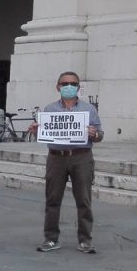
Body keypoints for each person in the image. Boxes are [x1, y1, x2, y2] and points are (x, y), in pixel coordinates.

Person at [32, 71, 104, 254]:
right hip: (56, 157)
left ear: (78, 88)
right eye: (64, 84)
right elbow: (43, 131)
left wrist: (94, 134)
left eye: (72, 83)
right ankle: (50, 238)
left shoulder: (89, 109)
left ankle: (85, 240)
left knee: (84, 200)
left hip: (82, 156)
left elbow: (100, 135)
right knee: (52, 199)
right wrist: (35, 131)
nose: (68, 86)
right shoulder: (49, 110)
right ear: (58, 87)